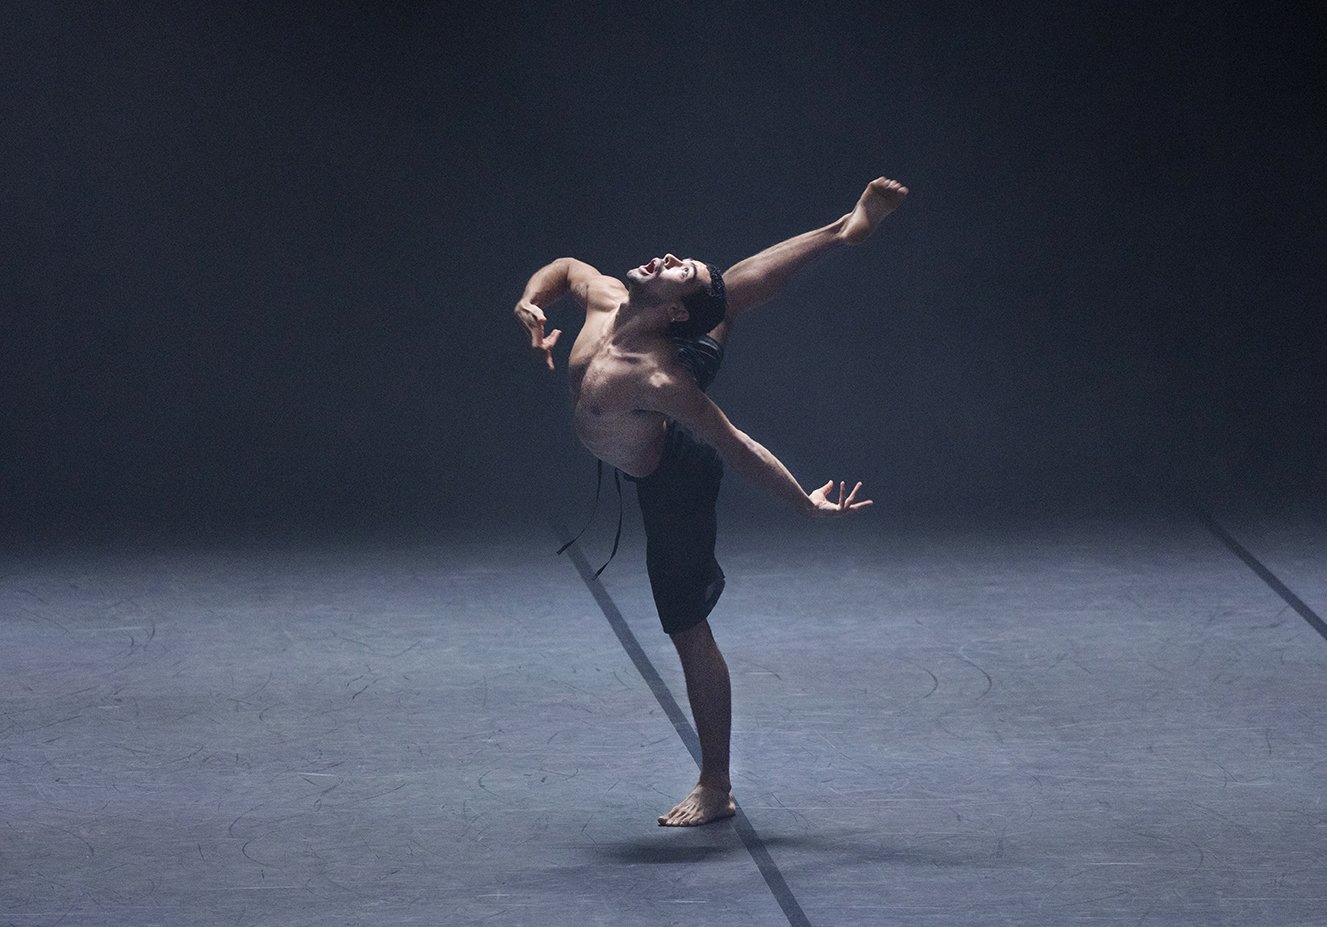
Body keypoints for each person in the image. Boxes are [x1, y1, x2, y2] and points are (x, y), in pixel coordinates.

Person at [514, 176, 908, 826]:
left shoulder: (661, 378)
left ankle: (715, 784)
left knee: (685, 625)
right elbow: (561, 270)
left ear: (669, 311)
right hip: (655, 346)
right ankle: (845, 227)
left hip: (673, 470)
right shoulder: (608, 296)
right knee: (721, 298)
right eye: (676, 260)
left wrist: (803, 503)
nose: (667, 255)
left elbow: (734, 443)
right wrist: (529, 305)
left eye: (677, 269)